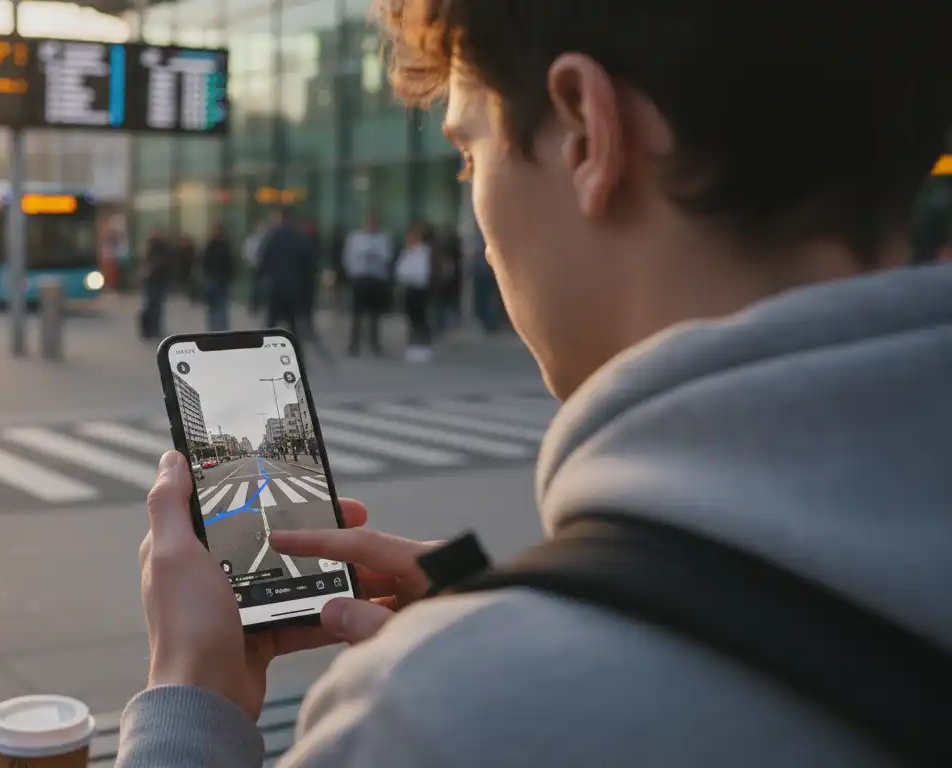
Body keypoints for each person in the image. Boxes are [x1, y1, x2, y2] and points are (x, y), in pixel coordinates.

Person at [119, 1, 952, 766]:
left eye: (467, 152)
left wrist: (191, 698)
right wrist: (513, 616)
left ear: (587, 133)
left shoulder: (432, 721)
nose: (476, 219)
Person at [341, 215, 393, 356]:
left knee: (375, 315)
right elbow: (348, 257)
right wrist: (352, 274)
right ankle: (354, 344)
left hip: (376, 279)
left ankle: (375, 344)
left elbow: (387, 257)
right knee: (357, 314)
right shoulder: (356, 238)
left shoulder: (383, 239)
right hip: (360, 279)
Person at [395, 222, 435, 363]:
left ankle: (424, 347)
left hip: (420, 288)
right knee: (411, 318)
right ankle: (413, 347)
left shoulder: (424, 251)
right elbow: (400, 271)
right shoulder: (407, 252)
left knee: (421, 318)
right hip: (409, 288)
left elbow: (421, 272)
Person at [200, 224, 235, 332]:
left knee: (217, 307)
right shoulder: (222, 246)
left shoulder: (212, 246)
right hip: (217, 280)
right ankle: (218, 329)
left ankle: (217, 329)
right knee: (219, 307)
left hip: (217, 280)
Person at [139, 231, 172, 340]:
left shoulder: (161, 250)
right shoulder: (152, 250)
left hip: (157, 281)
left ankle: (154, 329)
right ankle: (151, 329)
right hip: (152, 281)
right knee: (153, 305)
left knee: (156, 306)